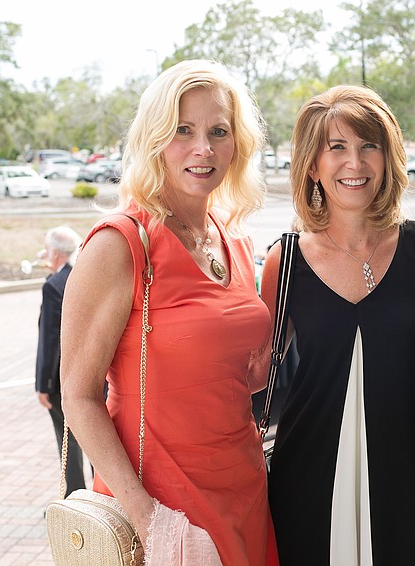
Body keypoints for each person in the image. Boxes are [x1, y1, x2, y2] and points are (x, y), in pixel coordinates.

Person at [61, 59, 278, 565]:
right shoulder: (120, 243)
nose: (204, 148)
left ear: (237, 144)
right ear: (154, 138)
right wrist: (149, 521)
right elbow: (78, 395)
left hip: (245, 491)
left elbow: (232, 376)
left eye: (218, 131)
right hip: (164, 508)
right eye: (183, 130)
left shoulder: (234, 239)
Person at [261, 84, 415, 565]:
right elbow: (253, 373)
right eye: (337, 147)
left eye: (370, 145)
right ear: (312, 165)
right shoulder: (284, 262)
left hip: (410, 477)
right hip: (307, 475)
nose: (355, 162)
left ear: (388, 158)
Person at [35, 225, 85, 497]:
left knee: (67, 440)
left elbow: (50, 339)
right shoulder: (84, 275)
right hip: (95, 375)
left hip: (62, 378)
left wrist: (44, 384)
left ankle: (74, 498)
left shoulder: (53, 285)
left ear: (55, 253)